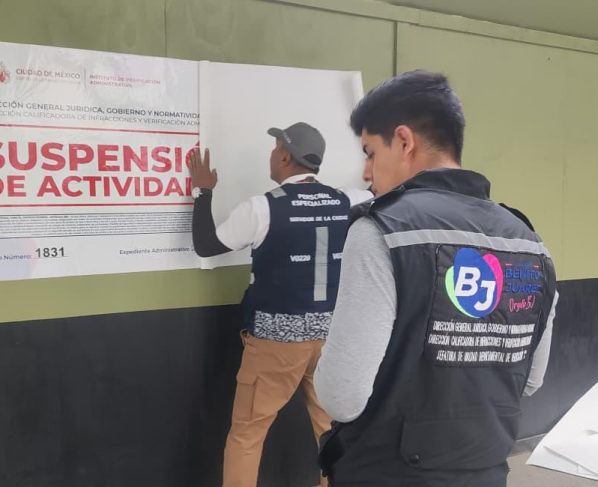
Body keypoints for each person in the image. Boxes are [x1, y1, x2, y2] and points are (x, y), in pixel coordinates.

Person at [314, 71, 559, 487]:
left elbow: (342, 396)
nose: (367, 172)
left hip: (385, 473)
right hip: (485, 471)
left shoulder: (380, 231)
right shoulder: (530, 243)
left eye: (370, 153)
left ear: (404, 141)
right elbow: (530, 380)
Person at [188, 122, 371, 487]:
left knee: (248, 433)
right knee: (331, 431)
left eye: (275, 149)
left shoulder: (262, 208)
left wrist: (202, 191)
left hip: (275, 344)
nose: (272, 156)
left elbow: (206, 245)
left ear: (285, 157)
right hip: (332, 342)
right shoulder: (351, 200)